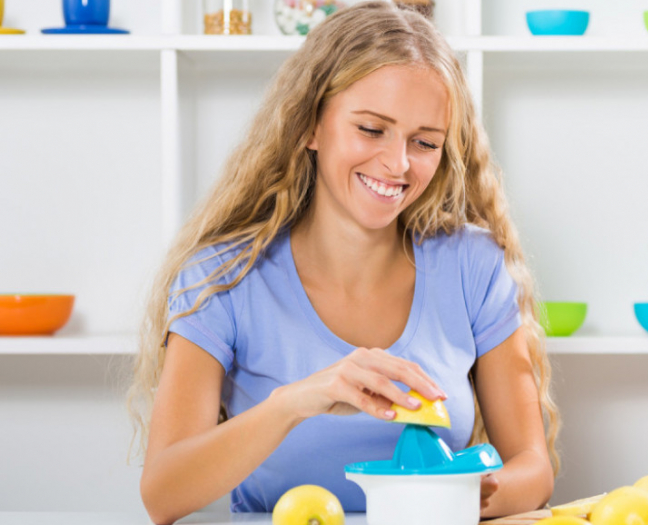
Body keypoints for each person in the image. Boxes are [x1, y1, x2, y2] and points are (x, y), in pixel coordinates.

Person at [126, 2, 560, 524]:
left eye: (425, 142)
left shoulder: (473, 266)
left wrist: (450, 496)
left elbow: (533, 469)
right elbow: (163, 492)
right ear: (311, 125)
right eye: (372, 129)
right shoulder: (223, 276)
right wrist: (296, 402)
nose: (398, 164)